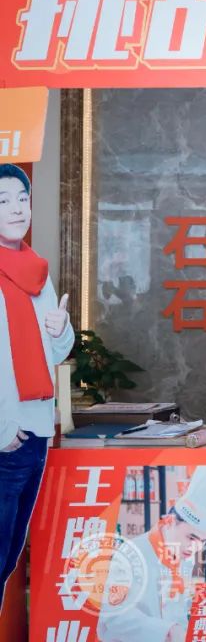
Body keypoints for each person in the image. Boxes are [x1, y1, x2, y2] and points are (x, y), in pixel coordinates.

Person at [0, 163, 74, 605]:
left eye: (23, 199)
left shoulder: (37, 273)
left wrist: (61, 330)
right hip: (5, 435)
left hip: (35, 431)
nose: (17, 209)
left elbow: (56, 352)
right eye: (3, 201)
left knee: (9, 556)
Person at [98, 465, 206, 642]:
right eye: (191, 537)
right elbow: (114, 615)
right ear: (169, 522)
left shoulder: (182, 558)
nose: (195, 548)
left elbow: (177, 610)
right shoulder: (131, 553)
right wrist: (168, 631)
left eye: (203, 541)